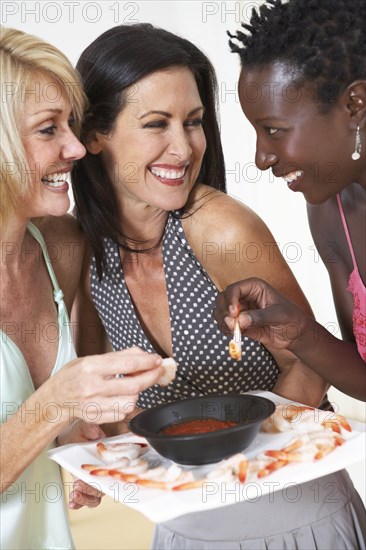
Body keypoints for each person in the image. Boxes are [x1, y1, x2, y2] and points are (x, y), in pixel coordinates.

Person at [71, 23, 366, 549]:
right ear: (95, 134)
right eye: (156, 124)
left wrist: (239, 465)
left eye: (194, 122)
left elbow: (310, 363)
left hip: (294, 519)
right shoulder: (84, 249)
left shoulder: (221, 229)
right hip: (183, 528)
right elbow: (100, 390)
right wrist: (97, 455)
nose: (184, 148)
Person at [0, 27, 166, 550]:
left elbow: (29, 417)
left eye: (70, 124)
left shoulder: (60, 247)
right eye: (49, 129)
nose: (75, 147)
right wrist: (57, 404)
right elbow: (46, 402)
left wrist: (76, 440)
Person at [214, 0, 366, 402]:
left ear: (354, 106)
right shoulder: (330, 212)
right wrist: (297, 332)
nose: (261, 158)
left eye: (275, 131)